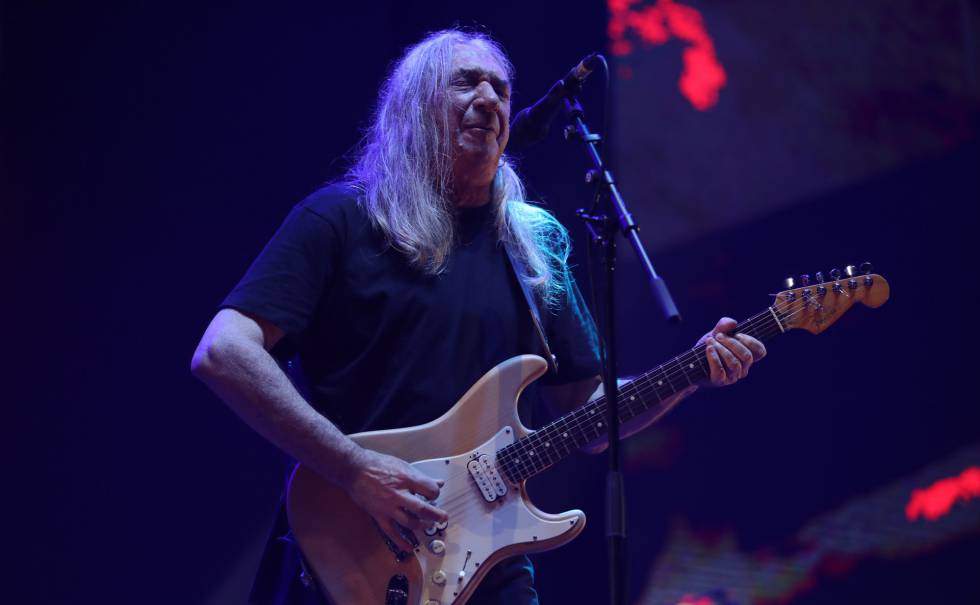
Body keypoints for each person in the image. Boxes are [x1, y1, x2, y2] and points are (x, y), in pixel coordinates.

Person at [191, 28, 765, 605]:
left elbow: (587, 410)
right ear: (414, 105)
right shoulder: (339, 219)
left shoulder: (533, 244)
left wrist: (692, 373)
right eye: (465, 83)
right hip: (354, 548)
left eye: (501, 89)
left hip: (489, 566)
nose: (489, 100)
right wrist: (356, 469)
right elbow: (225, 351)